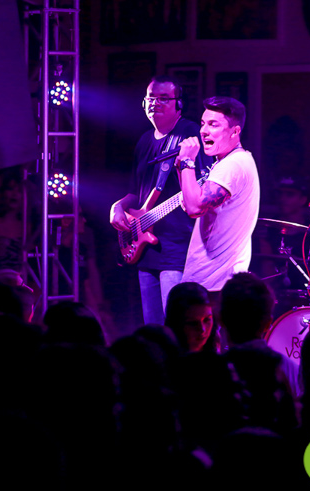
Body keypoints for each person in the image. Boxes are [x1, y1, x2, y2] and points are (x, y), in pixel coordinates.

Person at [110, 76, 212, 325]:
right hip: (145, 247)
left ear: (179, 104)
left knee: (176, 325)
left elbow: (204, 184)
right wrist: (118, 206)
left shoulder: (189, 134)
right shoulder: (144, 141)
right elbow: (136, 193)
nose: (156, 103)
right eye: (151, 98)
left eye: (164, 98)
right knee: (154, 328)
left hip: (177, 248)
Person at [178, 96, 260, 294]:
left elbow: (194, 208)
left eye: (213, 124)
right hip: (213, 282)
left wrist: (187, 162)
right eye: (203, 123)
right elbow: (189, 201)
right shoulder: (228, 162)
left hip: (214, 286)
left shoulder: (232, 165)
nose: (203, 131)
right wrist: (182, 165)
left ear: (235, 131)